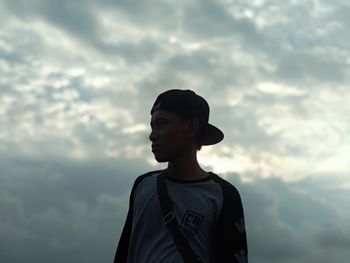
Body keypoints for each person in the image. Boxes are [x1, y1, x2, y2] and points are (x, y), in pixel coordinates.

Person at [114, 89, 248, 263]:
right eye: (152, 126)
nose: (152, 135)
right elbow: (124, 252)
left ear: (191, 127)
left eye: (162, 123)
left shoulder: (222, 194)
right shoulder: (143, 185)